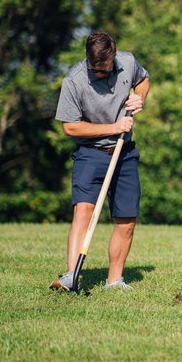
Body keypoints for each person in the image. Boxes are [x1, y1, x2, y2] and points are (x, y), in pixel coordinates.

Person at [51, 31, 149, 291]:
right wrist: (113, 127)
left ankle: (114, 281)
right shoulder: (74, 80)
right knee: (83, 211)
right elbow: (70, 128)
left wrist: (140, 97)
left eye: (105, 71)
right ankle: (72, 276)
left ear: (114, 56)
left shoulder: (128, 62)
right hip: (91, 153)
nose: (100, 75)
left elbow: (143, 80)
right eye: (96, 71)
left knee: (126, 220)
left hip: (125, 154)